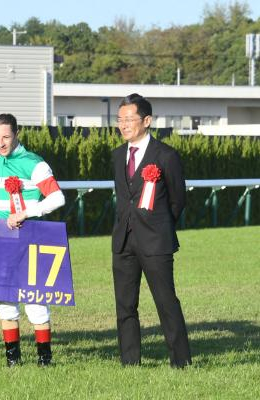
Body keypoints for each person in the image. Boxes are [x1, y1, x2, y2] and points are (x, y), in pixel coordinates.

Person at [111, 93, 192, 368]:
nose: (123, 125)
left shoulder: (166, 155)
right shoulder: (117, 155)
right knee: (125, 305)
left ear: (147, 120)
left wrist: (159, 226)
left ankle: (180, 361)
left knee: (166, 302)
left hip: (156, 241)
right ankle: (130, 361)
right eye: (119, 119)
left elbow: (177, 200)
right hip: (123, 240)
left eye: (129, 119)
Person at [0, 113, 65, 367]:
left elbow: (57, 198)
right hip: (2, 240)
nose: (1, 143)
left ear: (17, 133)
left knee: (35, 299)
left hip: (31, 238)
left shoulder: (35, 163)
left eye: (6, 137)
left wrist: (25, 213)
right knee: (5, 300)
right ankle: (13, 359)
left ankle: (45, 359)